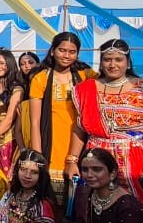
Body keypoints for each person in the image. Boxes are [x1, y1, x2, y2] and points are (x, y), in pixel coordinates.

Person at [70, 38, 143, 223]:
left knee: (137, 210)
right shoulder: (86, 89)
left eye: (118, 60)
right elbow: (79, 128)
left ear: (128, 62)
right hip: (96, 160)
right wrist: (71, 160)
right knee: (95, 208)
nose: (113, 65)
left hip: (135, 161)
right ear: (101, 62)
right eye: (107, 59)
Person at [28, 32, 96, 197]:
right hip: (51, 145)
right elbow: (35, 122)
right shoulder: (41, 78)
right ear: (52, 51)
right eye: (62, 50)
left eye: (72, 52)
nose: (66, 55)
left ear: (77, 54)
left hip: (80, 142)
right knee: (53, 202)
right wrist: (38, 157)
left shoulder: (86, 75)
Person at [15, 52, 40, 149]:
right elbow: (17, 130)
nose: (27, 66)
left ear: (38, 64)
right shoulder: (20, 88)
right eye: (22, 64)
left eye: (30, 62)